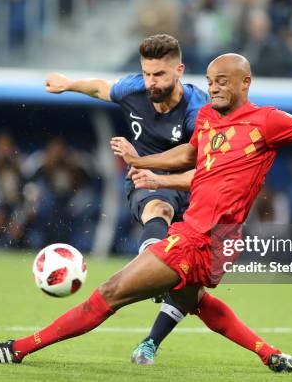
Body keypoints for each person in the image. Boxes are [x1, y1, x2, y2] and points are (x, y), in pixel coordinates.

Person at [0, 53, 292, 372]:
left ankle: (17, 350)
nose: (213, 88)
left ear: (245, 83)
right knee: (196, 304)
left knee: (110, 292)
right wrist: (144, 163)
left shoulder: (268, 122)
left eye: (222, 82)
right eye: (210, 81)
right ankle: (269, 354)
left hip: (202, 238)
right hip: (206, 239)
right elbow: (192, 161)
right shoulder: (208, 119)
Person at [42, 34, 209, 364]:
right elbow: (100, 88)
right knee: (157, 207)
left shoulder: (197, 108)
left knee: (194, 289)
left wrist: (142, 161)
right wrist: (68, 84)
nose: (151, 82)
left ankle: (150, 343)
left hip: (191, 187)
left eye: (159, 74)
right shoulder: (133, 90)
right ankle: (154, 265)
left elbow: (194, 159)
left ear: (179, 70)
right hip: (147, 185)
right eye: (147, 73)